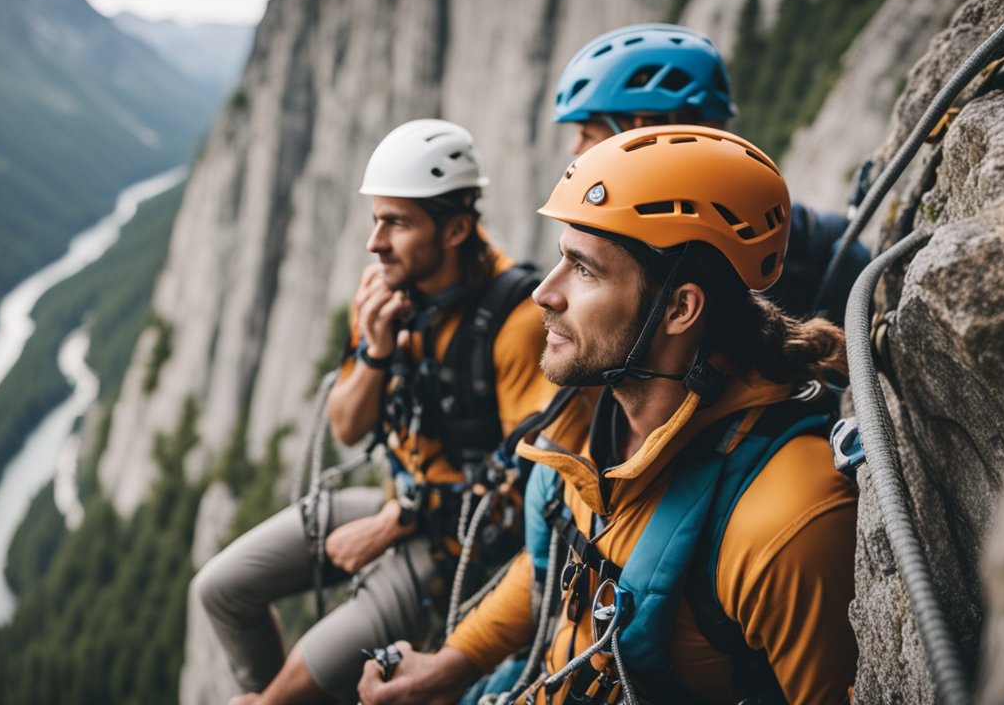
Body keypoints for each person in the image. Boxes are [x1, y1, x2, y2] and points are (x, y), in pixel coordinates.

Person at [358, 125, 859, 704]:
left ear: (679, 307)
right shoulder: (591, 427)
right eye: (559, 260)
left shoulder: (787, 523)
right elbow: (564, 556)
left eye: (585, 269)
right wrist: (450, 663)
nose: (544, 293)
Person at [197, 118, 562, 704]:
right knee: (220, 588)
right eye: (376, 220)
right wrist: (375, 351)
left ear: (456, 229)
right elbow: (346, 425)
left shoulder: (515, 321)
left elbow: (526, 480)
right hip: (402, 505)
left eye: (396, 222)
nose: (376, 242)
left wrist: (398, 523)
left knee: (277, 699)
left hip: (458, 550)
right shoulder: (387, 294)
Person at [551, 23, 870, 323]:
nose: (575, 146)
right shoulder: (788, 245)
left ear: (641, 128)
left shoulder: (820, 257)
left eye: (586, 132)